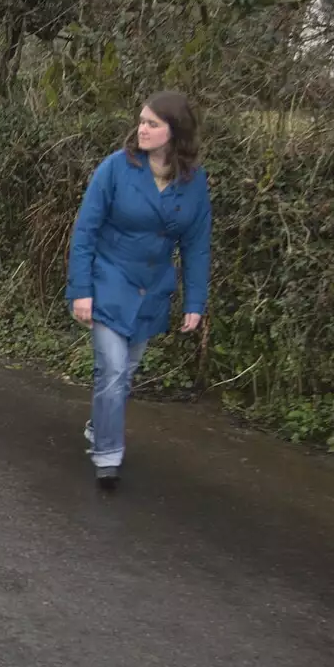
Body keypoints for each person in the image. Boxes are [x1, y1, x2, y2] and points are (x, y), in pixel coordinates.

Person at [66, 90, 212, 490]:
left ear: (174, 132)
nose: (141, 129)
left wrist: (195, 300)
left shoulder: (193, 183)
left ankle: (100, 424)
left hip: (152, 291)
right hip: (109, 280)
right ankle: (108, 457)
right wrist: (81, 290)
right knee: (112, 370)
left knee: (124, 373)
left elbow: (197, 245)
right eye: (141, 121)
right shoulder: (116, 168)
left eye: (152, 123)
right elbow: (86, 231)